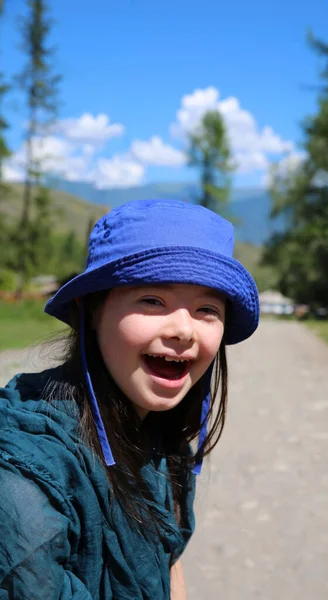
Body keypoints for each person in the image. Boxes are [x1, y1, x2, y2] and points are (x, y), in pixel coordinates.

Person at [0, 199, 259, 599]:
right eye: (153, 300)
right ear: (91, 310)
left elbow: (169, 563)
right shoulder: (24, 484)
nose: (184, 330)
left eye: (207, 308)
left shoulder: (162, 441)